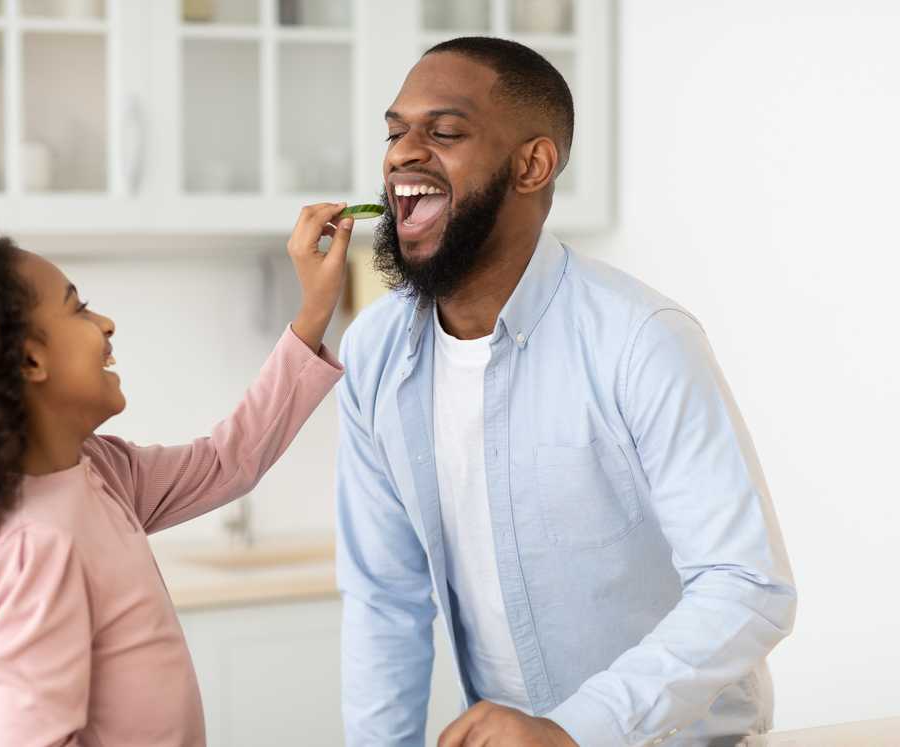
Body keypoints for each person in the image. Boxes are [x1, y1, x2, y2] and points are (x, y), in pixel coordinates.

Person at [336, 36, 796, 747]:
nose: (402, 152)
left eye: (444, 131)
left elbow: (747, 584)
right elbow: (384, 599)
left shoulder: (642, 339)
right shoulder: (377, 351)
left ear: (533, 163)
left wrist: (573, 729)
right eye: (396, 131)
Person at [0, 203, 353, 746]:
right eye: (78, 309)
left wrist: (315, 308)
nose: (105, 323)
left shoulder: (102, 471)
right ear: (29, 362)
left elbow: (229, 460)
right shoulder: (34, 545)